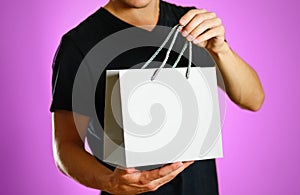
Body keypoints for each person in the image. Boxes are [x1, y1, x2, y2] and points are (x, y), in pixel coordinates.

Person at [50, 0, 265, 194]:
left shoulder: (192, 24)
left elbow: (253, 99)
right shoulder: (79, 43)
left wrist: (221, 50)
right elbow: (66, 146)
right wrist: (110, 182)